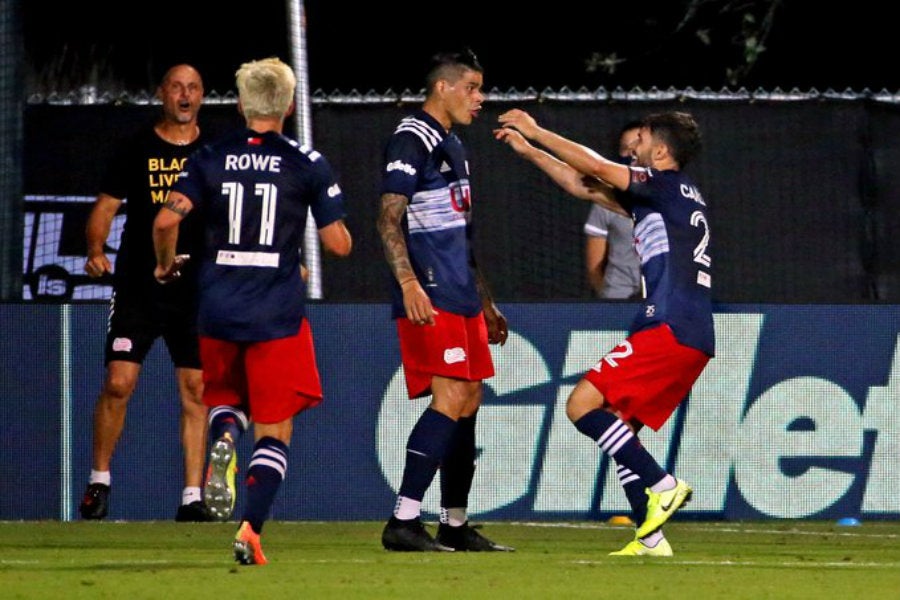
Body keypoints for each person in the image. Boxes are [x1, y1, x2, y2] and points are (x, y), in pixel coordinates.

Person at [153, 56, 352, 566]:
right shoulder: (306, 161)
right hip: (276, 315)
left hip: (217, 307)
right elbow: (338, 245)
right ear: (287, 106)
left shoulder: (210, 156)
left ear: (241, 105)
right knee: (276, 428)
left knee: (224, 400)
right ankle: (250, 531)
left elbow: (162, 222)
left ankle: (223, 434)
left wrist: (164, 266)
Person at [495, 109, 713, 556]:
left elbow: (594, 167)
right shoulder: (672, 196)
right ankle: (650, 537)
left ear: (662, 151)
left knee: (581, 405)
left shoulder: (663, 185)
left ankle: (663, 483)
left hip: (669, 325)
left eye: (644, 137)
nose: (634, 144)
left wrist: (536, 129)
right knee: (618, 426)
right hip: (688, 330)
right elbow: (584, 185)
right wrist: (529, 150)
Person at [377, 49, 513, 553]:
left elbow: (462, 235)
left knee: (469, 399)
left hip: (461, 292)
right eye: (473, 88)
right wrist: (410, 284)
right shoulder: (411, 138)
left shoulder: (454, 144)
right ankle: (403, 520)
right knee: (451, 397)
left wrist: (487, 303)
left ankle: (454, 524)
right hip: (430, 291)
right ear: (443, 88)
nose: (480, 98)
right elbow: (389, 218)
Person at [79, 64, 212, 522]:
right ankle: (99, 482)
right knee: (119, 383)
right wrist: (96, 249)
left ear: (202, 96)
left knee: (196, 389)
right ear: (161, 94)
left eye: (193, 88)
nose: (184, 94)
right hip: (139, 284)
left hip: (194, 289)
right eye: (176, 86)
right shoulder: (136, 147)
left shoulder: (212, 151)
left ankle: (193, 497)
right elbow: (105, 207)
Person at [583, 120, 643, 299]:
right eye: (626, 147)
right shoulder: (605, 199)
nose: (632, 152)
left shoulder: (672, 193)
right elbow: (594, 266)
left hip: (661, 301)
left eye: (637, 144)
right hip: (618, 298)